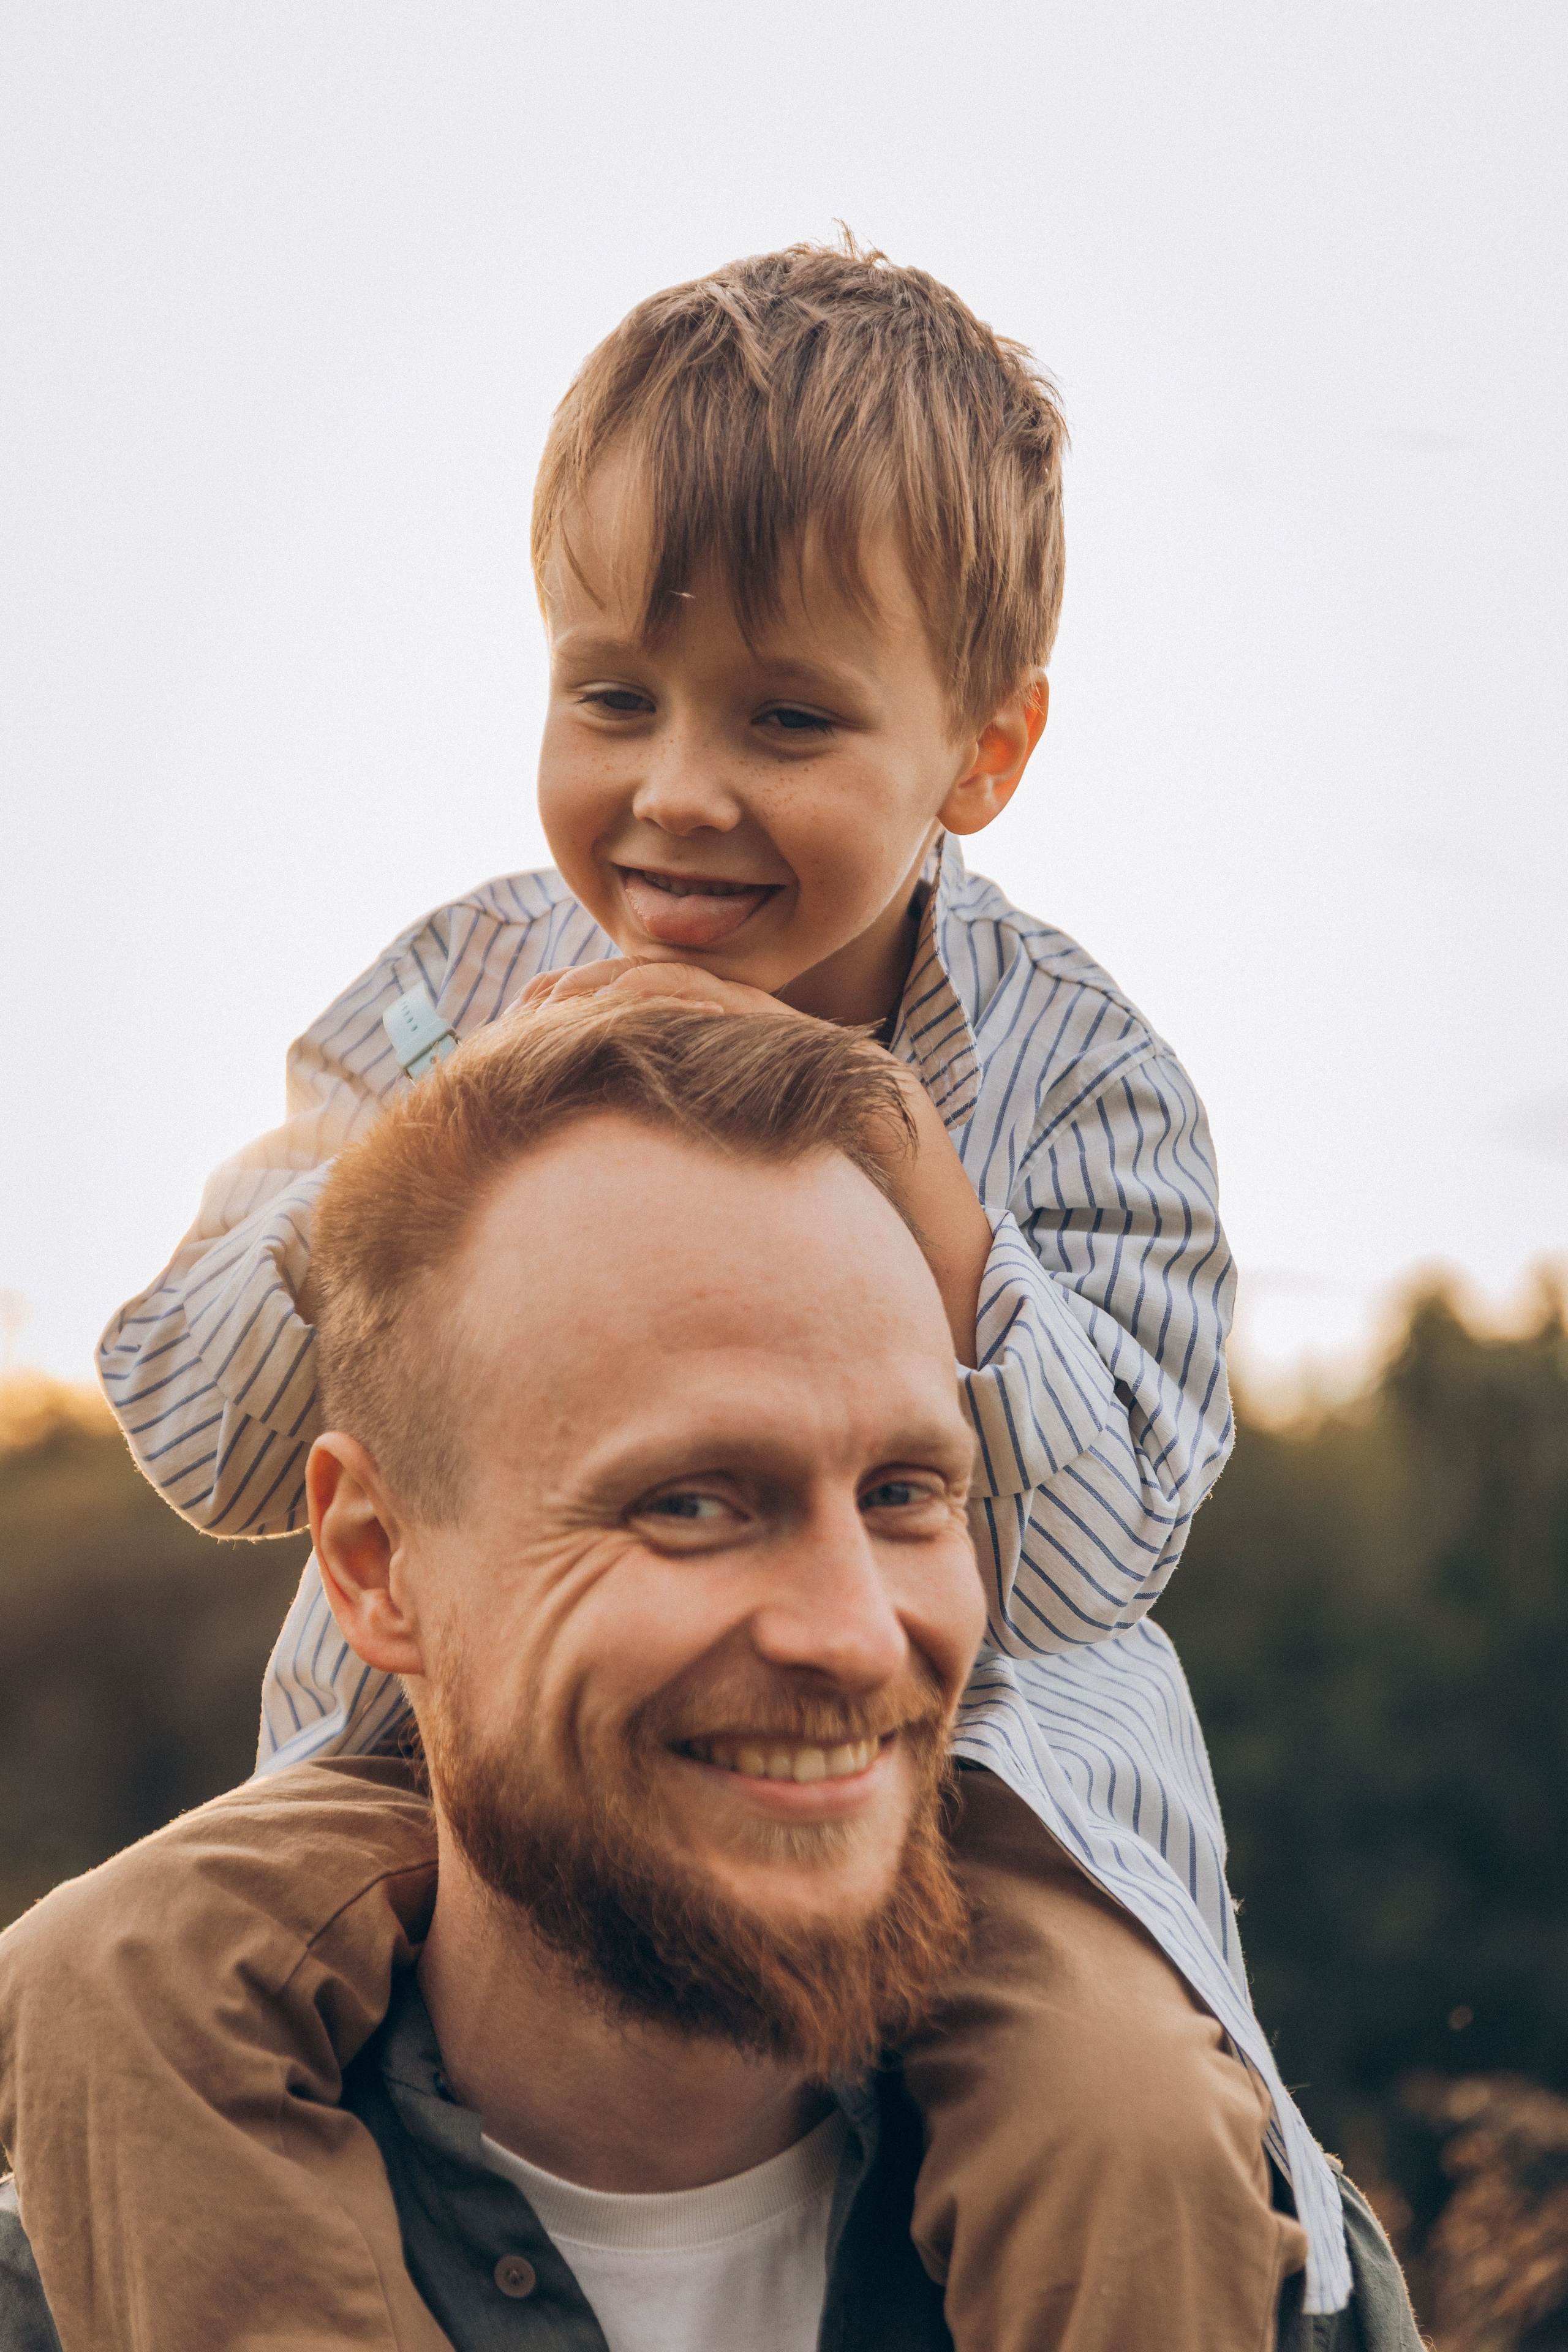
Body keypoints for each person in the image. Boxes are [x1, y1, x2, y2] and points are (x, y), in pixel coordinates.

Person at [3, 239, 1358, 2347]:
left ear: (981, 752)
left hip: (956, 1804)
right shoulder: (445, 995)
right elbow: (199, 1426)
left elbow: (1098, 1558)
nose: (678, 790)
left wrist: (915, 1182)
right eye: (613, 696)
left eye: (788, 718)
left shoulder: (1079, 1077)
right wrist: (428, 1151)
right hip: (445, 1769)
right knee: (102, 1977)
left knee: (1125, 2122)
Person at [0, 1008, 1420, 2352]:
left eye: (905, 1493)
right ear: (377, 1564)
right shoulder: (68, 2295)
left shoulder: (1248, 2276)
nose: (856, 1637)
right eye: (688, 1504)